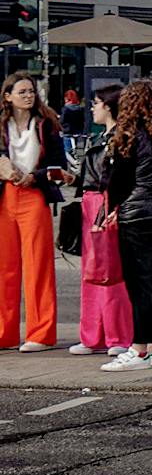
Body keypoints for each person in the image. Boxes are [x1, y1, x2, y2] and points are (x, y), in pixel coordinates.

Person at [100, 78, 152, 368]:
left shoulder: (129, 134)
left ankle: (139, 348)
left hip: (137, 213)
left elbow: (117, 181)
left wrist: (113, 206)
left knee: (139, 282)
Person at [0, 72, 67, 351]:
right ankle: (5, 332)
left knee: (38, 266)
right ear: (8, 96)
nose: (28, 95)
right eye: (22, 91)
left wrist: (35, 177)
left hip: (34, 194)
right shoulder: (1, 125)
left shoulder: (46, 124)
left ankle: (41, 333)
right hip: (5, 195)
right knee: (5, 268)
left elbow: (58, 163)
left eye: (31, 91)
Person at [69, 85, 134, 357]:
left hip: (106, 201)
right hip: (92, 200)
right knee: (93, 269)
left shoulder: (120, 138)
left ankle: (117, 334)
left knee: (111, 269)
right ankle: (94, 333)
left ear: (108, 106)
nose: (92, 108)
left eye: (96, 103)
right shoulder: (103, 136)